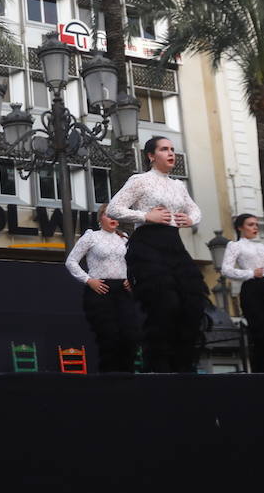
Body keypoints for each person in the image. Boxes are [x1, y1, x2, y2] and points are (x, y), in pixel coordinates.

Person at [105, 136, 207, 373]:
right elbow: (114, 208)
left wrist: (191, 219)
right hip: (147, 245)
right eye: (164, 149)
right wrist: (145, 216)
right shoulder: (140, 180)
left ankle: (182, 365)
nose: (171, 153)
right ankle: (158, 367)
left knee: (192, 303)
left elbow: (194, 209)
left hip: (174, 245)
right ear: (151, 156)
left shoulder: (178, 185)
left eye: (172, 149)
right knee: (165, 304)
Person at [63, 205, 137, 373]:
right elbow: (71, 261)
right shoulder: (92, 237)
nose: (113, 218)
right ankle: (109, 377)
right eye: (108, 215)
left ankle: (128, 376)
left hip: (123, 291)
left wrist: (131, 279)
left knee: (130, 333)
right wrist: (89, 280)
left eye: (115, 216)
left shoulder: (124, 238)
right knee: (109, 335)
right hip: (101, 290)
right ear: (100, 218)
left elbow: (133, 263)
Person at [221, 214, 264, 373]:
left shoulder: (262, 247)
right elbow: (226, 269)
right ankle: (261, 371)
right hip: (251, 289)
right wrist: (250, 273)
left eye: (256, 224)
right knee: (260, 332)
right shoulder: (235, 245)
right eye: (250, 224)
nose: (255, 227)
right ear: (240, 227)